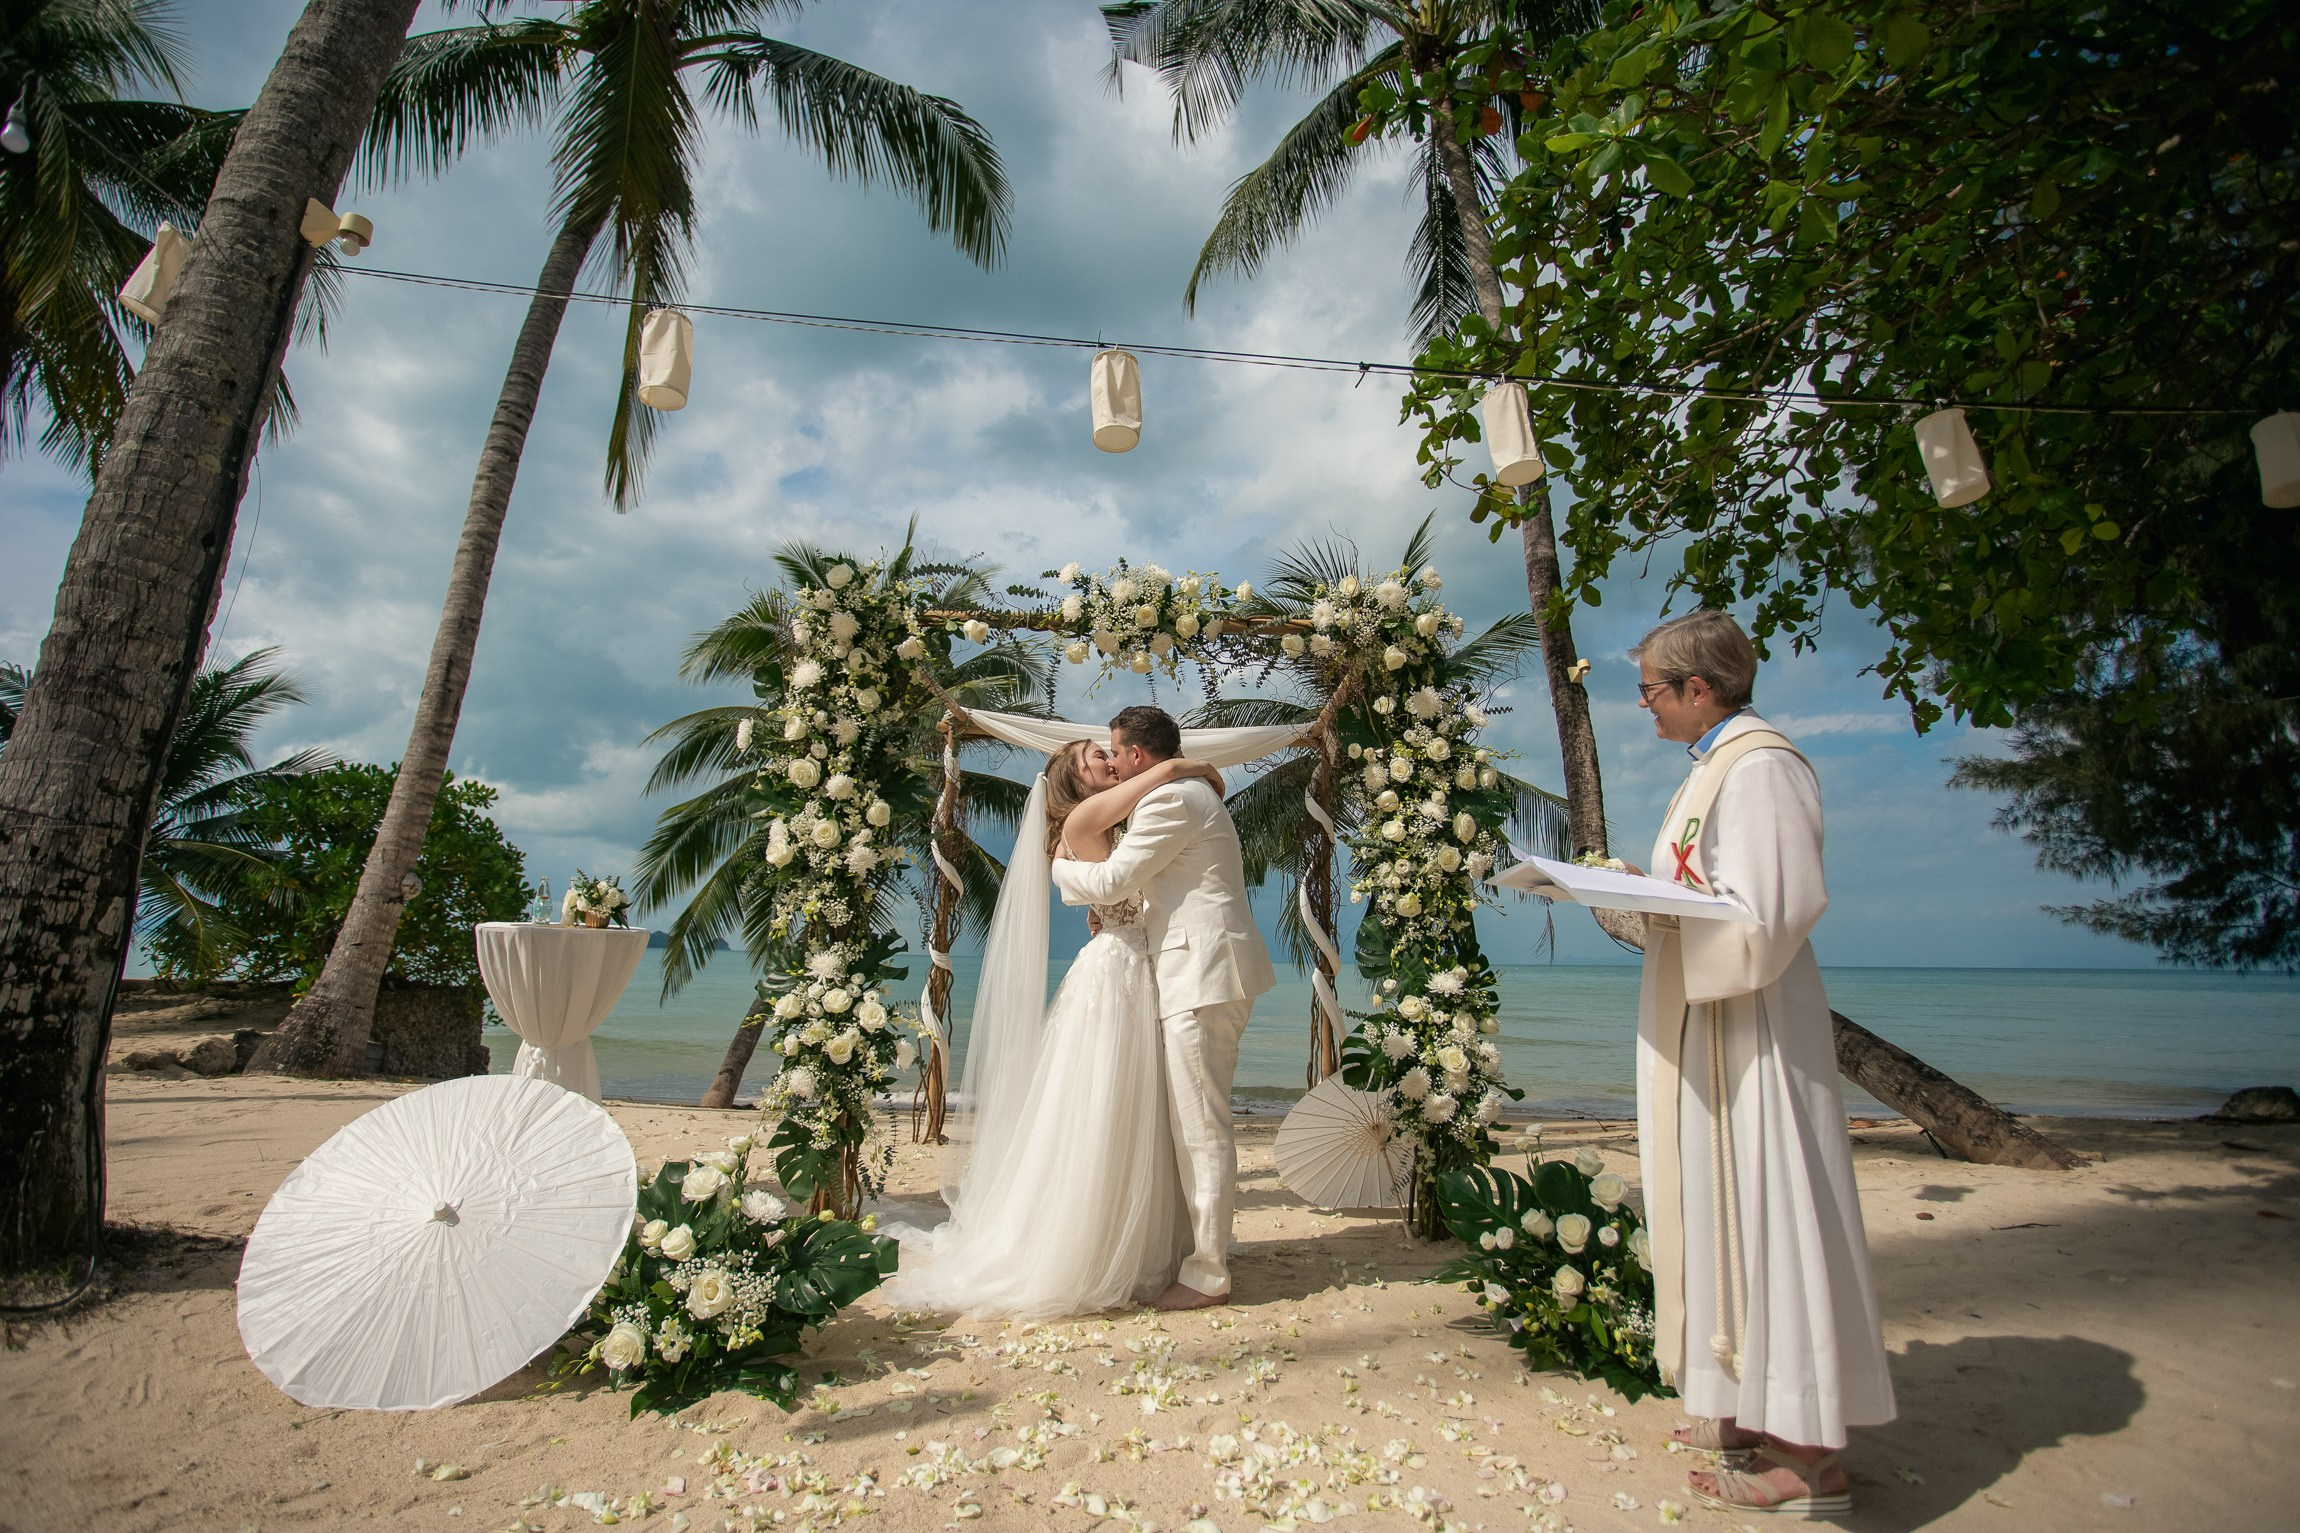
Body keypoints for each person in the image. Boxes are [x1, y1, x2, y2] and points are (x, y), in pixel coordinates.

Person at [1622, 610, 1896, 1516]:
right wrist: (1649, 896)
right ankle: (1742, 1399)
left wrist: (1659, 908)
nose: (1645, 705)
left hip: (1756, 1029)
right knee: (1716, 1206)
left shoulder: (1763, 765)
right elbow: (1714, 888)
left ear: (1699, 689)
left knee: (1774, 1206)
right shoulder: (1715, 767)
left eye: (1652, 688)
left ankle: (1811, 1456)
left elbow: (1773, 910)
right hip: (1711, 1019)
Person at [877, 738, 1224, 1318]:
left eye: (1109, 755)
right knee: (1105, 1106)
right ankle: (1091, 1247)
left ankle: (1136, 1241)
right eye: (1097, 758)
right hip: (1117, 976)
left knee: (1130, 1108)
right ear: (1073, 782)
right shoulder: (1090, 816)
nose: (1110, 763)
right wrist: (1187, 765)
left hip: (1134, 968)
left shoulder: (1114, 821)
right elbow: (1124, 866)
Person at [1050, 705, 1277, 1311]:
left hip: (1201, 974)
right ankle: (1199, 1254)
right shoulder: (1172, 793)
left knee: (1201, 1126)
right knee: (1191, 1122)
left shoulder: (1169, 800)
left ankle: (1209, 1273)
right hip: (1195, 971)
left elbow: (1115, 880)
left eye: (1116, 753)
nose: (1114, 762)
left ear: (1138, 758)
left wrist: (1058, 871)